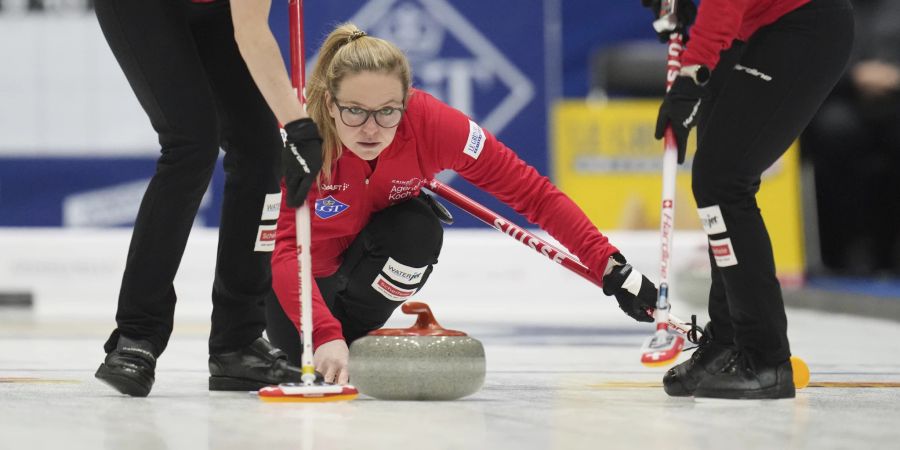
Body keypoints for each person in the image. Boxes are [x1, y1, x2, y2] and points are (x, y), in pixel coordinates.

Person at [264, 22, 661, 386]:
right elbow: (284, 252)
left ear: (407, 102)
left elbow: (532, 193)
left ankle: (356, 340)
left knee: (417, 231)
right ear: (330, 105)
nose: (371, 128)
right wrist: (323, 333)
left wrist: (609, 265)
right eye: (354, 111)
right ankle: (336, 344)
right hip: (300, 287)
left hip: (363, 275)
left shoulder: (433, 124)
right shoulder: (303, 140)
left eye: (387, 112)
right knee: (294, 346)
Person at [93, 0, 316, 397]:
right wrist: (299, 125)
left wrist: (293, 129)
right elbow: (251, 35)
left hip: (213, 9)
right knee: (191, 143)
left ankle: (238, 342)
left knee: (261, 148)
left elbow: (250, 27)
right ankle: (136, 335)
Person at [642, 0, 854, 399]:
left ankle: (765, 358)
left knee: (722, 180)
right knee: (715, 185)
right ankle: (728, 343)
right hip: (752, 30)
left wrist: (691, 75)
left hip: (801, 24)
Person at [804, 0, 900, 276]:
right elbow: (810, 58)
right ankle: (849, 247)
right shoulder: (826, 7)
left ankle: (891, 247)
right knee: (836, 130)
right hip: (838, 98)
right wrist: (854, 75)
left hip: (895, 100)